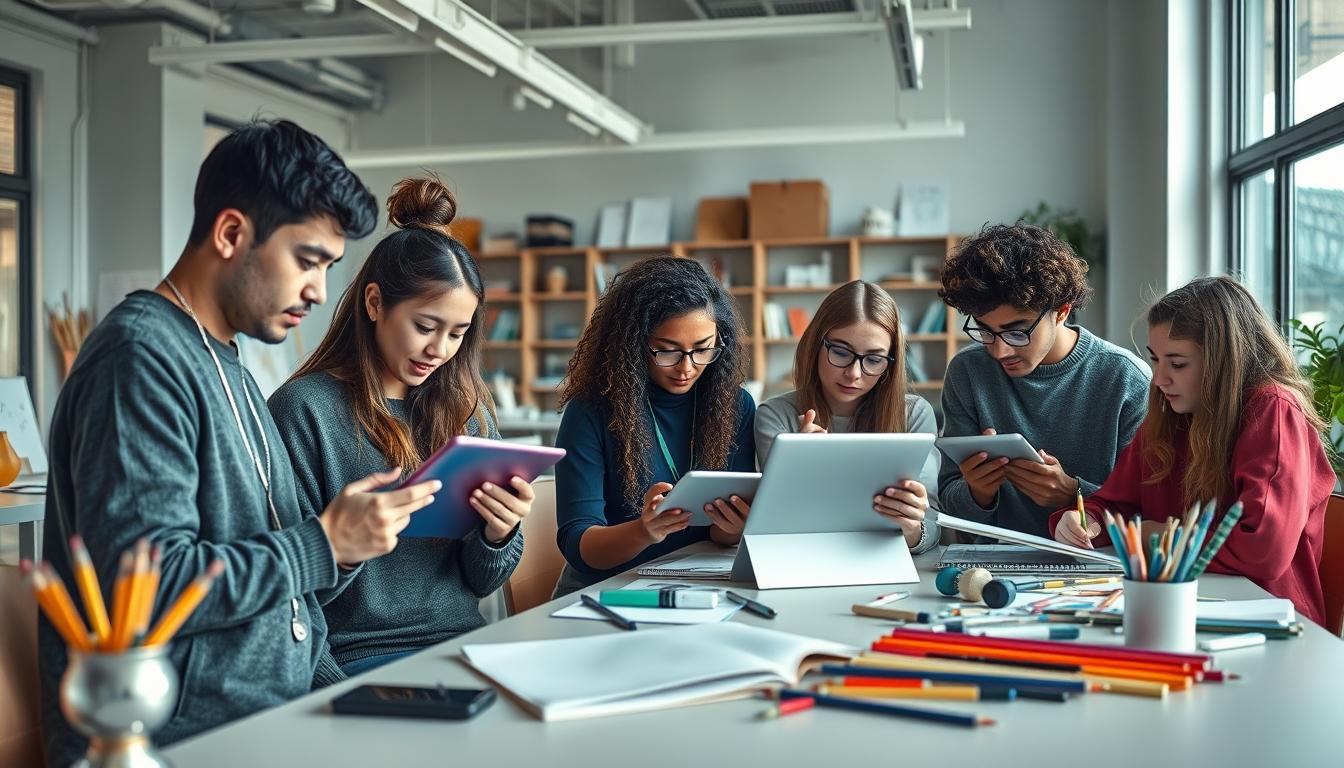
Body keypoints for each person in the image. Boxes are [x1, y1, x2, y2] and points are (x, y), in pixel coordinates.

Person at [38, 120, 440, 765]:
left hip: (280, 718)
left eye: (329, 268)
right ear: (231, 234)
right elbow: (143, 588)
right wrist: (324, 542)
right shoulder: (141, 358)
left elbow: (287, 601)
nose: (318, 290)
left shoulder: (226, 359)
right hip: (182, 739)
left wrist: (353, 689)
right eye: (307, 260)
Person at [269, 175, 531, 675]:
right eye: (425, 327)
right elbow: (291, 596)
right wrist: (331, 693)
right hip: (355, 661)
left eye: (457, 333)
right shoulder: (304, 411)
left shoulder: (465, 410)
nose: (440, 350)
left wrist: (501, 533)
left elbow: (482, 583)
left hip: (462, 648)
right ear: (374, 303)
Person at [1051, 276, 1334, 624]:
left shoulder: (1273, 409)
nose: (1159, 379)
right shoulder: (1172, 413)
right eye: (1155, 360)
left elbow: (1264, 550)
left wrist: (1159, 534)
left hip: (1268, 617)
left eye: (1178, 363)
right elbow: (1115, 504)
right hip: (1185, 606)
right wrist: (1086, 520)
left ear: (1223, 361)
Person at [553, 256, 755, 595]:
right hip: (604, 592)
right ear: (633, 344)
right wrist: (644, 531)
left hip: (693, 585)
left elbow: (719, 537)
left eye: (702, 350)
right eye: (667, 351)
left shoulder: (734, 406)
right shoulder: (591, 411)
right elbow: (578, 544)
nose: (687, 368)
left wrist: (733, 527)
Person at [938, 223, 1150, 538]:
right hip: (990, 570)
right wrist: (978, 492)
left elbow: (1148, 512)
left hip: (1090, 571)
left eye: (1016, 331)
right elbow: (949, 503)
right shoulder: (968, 372)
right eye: (985, 330)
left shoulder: (1125, 380)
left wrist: (1071, 493)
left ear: (1062, 312)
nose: (1000, 350)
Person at [754, 280, 941, 553]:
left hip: (885, 560)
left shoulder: (913, 414)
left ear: (891, 363)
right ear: (815, 345)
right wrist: (796, 470)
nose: (854, 373)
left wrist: (912, 528)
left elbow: (933, 524)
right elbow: (774, 526)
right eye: (841, 353)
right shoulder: (776, 415)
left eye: (874, 360)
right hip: (805, 560)